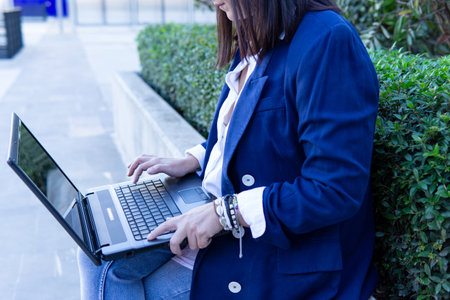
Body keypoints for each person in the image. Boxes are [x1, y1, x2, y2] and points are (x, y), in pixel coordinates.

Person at [78, 0, 380, 299]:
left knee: (110, 269)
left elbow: (335, 188)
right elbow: (254, 129)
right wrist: (194, 159)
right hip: (229, 224)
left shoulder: (327, 40)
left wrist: (225, 213)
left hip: (282, 253)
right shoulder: (258, 33)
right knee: (95, 246)